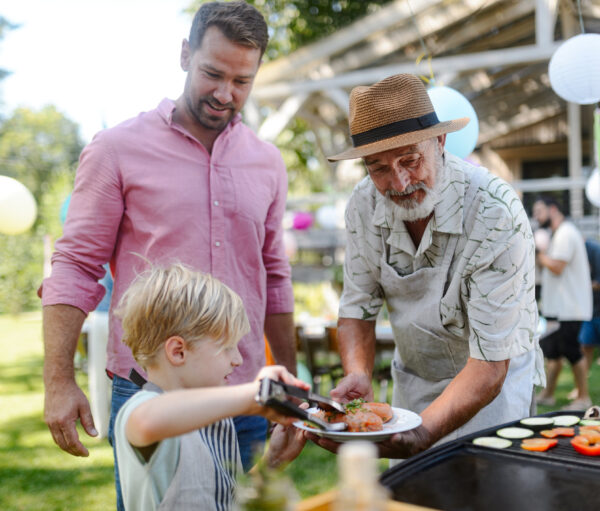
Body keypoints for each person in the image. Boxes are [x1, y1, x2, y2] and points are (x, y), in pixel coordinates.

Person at [39, 1, 296, 507]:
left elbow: (274, 274)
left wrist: (289, 389)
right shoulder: (116, 149)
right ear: (185, 55)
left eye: (241, 81)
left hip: (242, 395)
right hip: (147, 392)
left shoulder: (267, 163)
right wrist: (58, 380)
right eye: (212, 73)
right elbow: (74, 266)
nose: (225, 94)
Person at [310, 73, 544, 459]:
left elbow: (488, 366)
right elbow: (357, 307)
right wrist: (358, 373)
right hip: (415, 382)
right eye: (378, 167)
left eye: (410, 160)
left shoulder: (495, 212)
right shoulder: (362, 205)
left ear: (439, 141)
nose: (399, 181)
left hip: (492, 387)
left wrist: (421, 436)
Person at [114, 263, 306, 511]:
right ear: (178, 351)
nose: (237, 359)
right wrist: (253, 397)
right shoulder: (140, 409)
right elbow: (147, 421)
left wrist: (274, 460)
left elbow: (226, 501)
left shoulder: (216, 418)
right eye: (227, 347)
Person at [533, 196, 593, 409]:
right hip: (558, 308)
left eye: (539, 210)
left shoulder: (566, 233)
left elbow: (557, 266)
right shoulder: (557, 235)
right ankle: (548, 394)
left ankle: (583, 398)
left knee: (571, 349)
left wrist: (539, 254)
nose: (536, 216)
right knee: (553, 351)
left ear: (553, 209)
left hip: (571, 308)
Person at [578, 238, 600, 373]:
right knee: (585, 346)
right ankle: (581, 388)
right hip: (588, 310)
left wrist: (582, 287)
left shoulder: (595, 250)